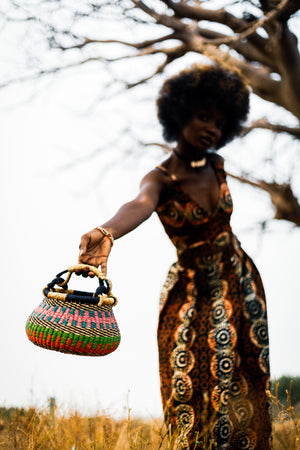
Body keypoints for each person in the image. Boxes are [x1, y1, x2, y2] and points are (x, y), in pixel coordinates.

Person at [78, 63, 271, 449]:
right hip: (189, 291)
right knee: (188, 383)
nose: (212, 128)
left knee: (245, 383)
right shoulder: (160, 178)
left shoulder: (217, 166)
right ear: (179, 114)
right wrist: (107, 231)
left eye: (219, 122)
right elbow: (140, 204)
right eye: (203, 117)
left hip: (239, 282)